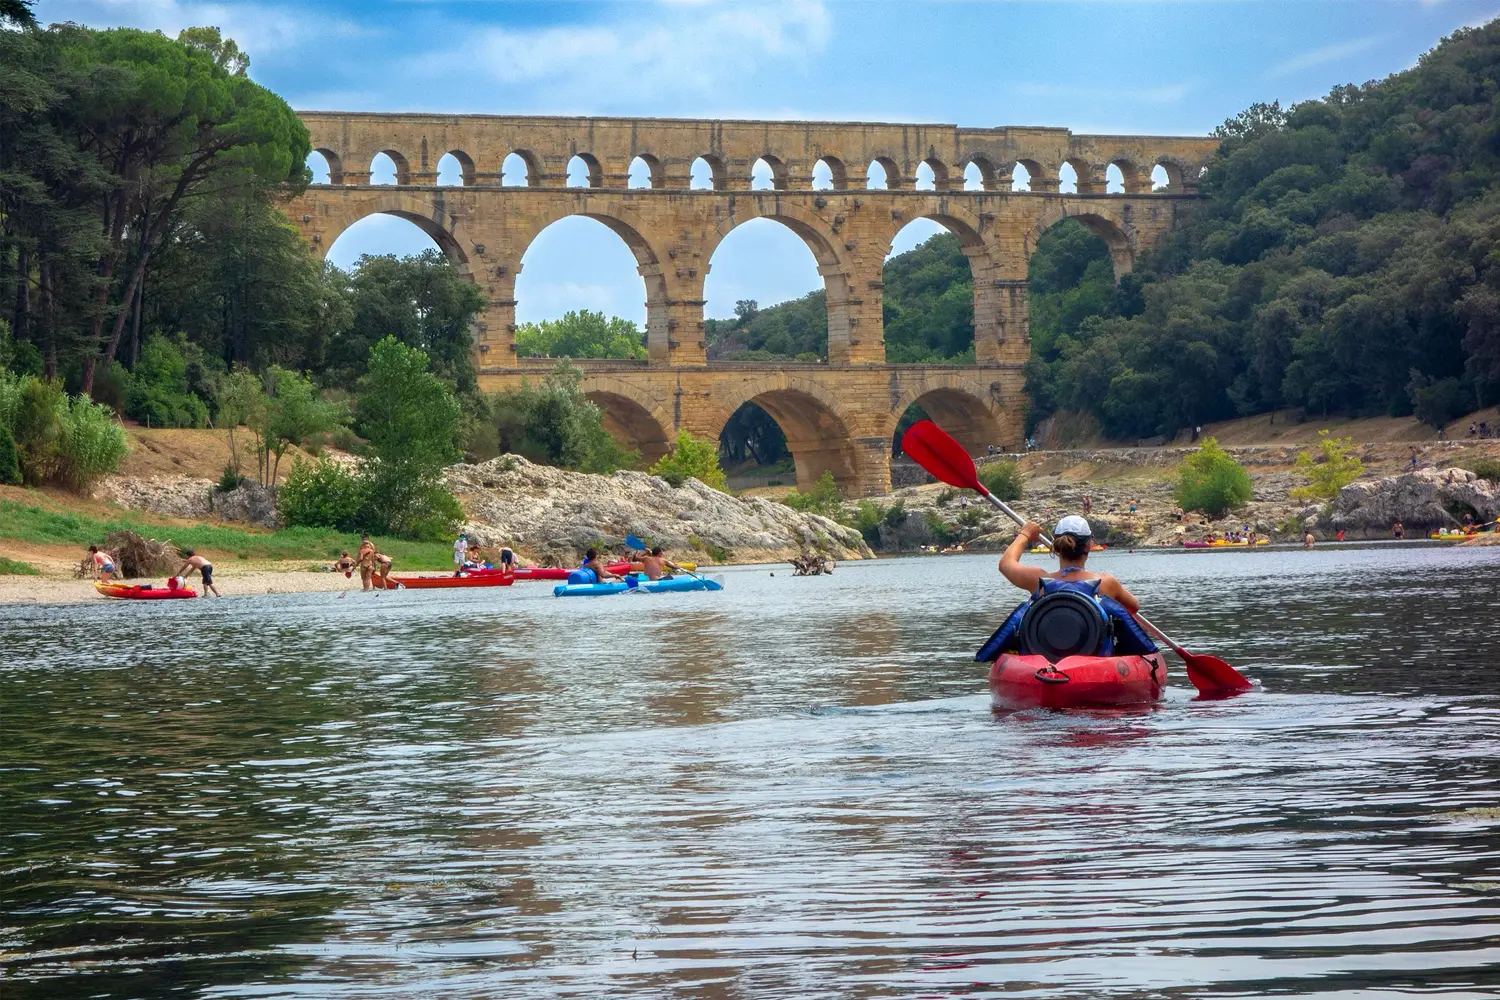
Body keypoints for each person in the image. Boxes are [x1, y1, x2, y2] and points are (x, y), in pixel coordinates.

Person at [1000, 516, 1138, 612]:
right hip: (1092, 649)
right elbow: (1134, 607)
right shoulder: (1106, 583)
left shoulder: (1037, 580)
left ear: (1056, 546)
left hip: (1049, 651)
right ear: (1089, 545)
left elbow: (1005, 564)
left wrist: (1025, 534)